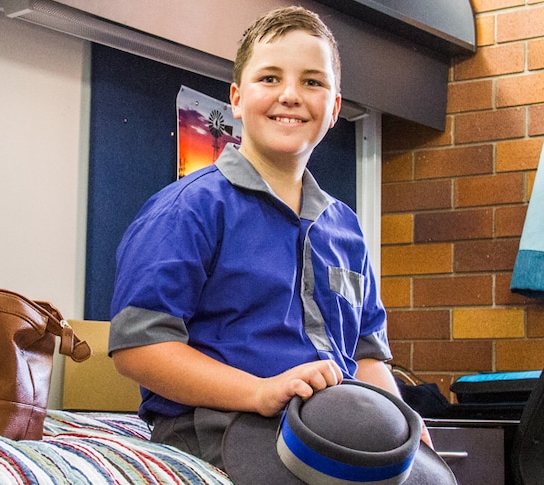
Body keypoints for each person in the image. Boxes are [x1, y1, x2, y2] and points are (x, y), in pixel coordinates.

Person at [108, 5, 425, 471]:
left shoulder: (346, 229)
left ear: (334, 108)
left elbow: (368, 356)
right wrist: (260, 391)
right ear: (237, 99)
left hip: (333, 429)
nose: (291, 95)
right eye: (270, 78)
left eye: (313, 82)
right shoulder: (189, 209)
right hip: (224, 424)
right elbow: (139, 348)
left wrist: (402, 429)